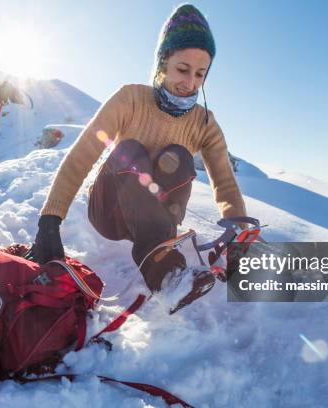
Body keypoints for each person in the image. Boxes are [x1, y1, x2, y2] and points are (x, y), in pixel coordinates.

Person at [33, 4, 246, 306]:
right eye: (183, 69)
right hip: (110, 212)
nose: (191, 83)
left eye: (200, 74)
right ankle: (168, 277)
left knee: (178, 156)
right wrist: (50, 219)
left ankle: (163, 259)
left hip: (161, 219)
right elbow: (83, 155)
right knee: (130, 150)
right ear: (162, 63)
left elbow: (224, 181)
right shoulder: (130, 99)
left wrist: (238, 227)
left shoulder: (204, 122)